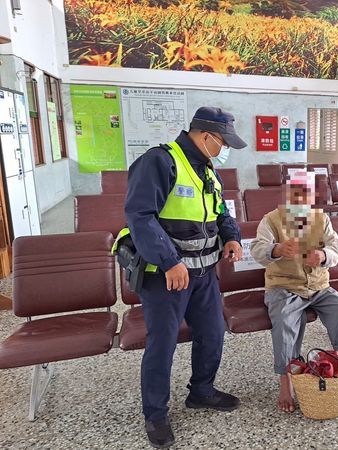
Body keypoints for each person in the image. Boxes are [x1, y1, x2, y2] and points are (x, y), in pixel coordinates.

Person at [117, 107, 247, 449]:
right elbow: (140, 216)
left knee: (213, 333)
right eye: (223, 142)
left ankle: (201, 391)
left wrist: (231, 236)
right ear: (205, 136)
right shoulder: (160, 161)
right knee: (163, 343)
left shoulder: (207, 169)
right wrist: (169, 261)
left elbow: (221, 210)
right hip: (166, 277)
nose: (225, 149)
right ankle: (155, 413)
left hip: (204, 273)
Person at [250, 170, 338, 412]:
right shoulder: (272, 219)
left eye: (305, 195)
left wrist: (323, 256)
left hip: (318, 285)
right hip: (284, 286)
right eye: (294, 196)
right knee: (285, 321)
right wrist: (277, 250)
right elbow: (258, 249)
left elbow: (335, 248)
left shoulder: (321, 219)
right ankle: (286, 381)